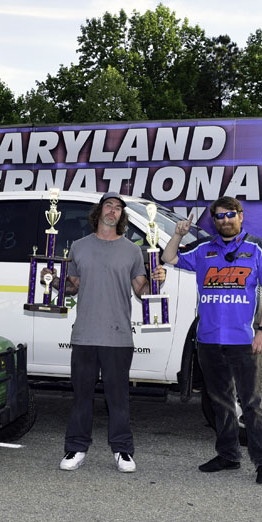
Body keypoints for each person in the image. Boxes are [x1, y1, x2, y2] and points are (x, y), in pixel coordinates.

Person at [161, 196, 262, 485]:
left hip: (244, 340)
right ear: (213, 222)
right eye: (219, 217)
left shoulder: (256, 248)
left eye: (230, 215)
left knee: (253, 403)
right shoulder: (204, 250)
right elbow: (169, 258)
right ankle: (228, 454)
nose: (225, 221)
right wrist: (178, 234)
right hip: (209, 340)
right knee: (220, 401)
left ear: (241, 216)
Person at [44, 192, 164, 473]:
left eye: (119, 208)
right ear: (99, 212)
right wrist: (51, 282)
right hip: (85, 334)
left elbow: (142, 291)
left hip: (119, 336)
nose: (113, 210)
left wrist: (157, 280)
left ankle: (122, 451)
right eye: (109, 206)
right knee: (81, 397)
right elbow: (72, 287)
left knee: (118, 398)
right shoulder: (79, 246)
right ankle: (76, 448)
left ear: (122, 217)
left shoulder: (133, 250)